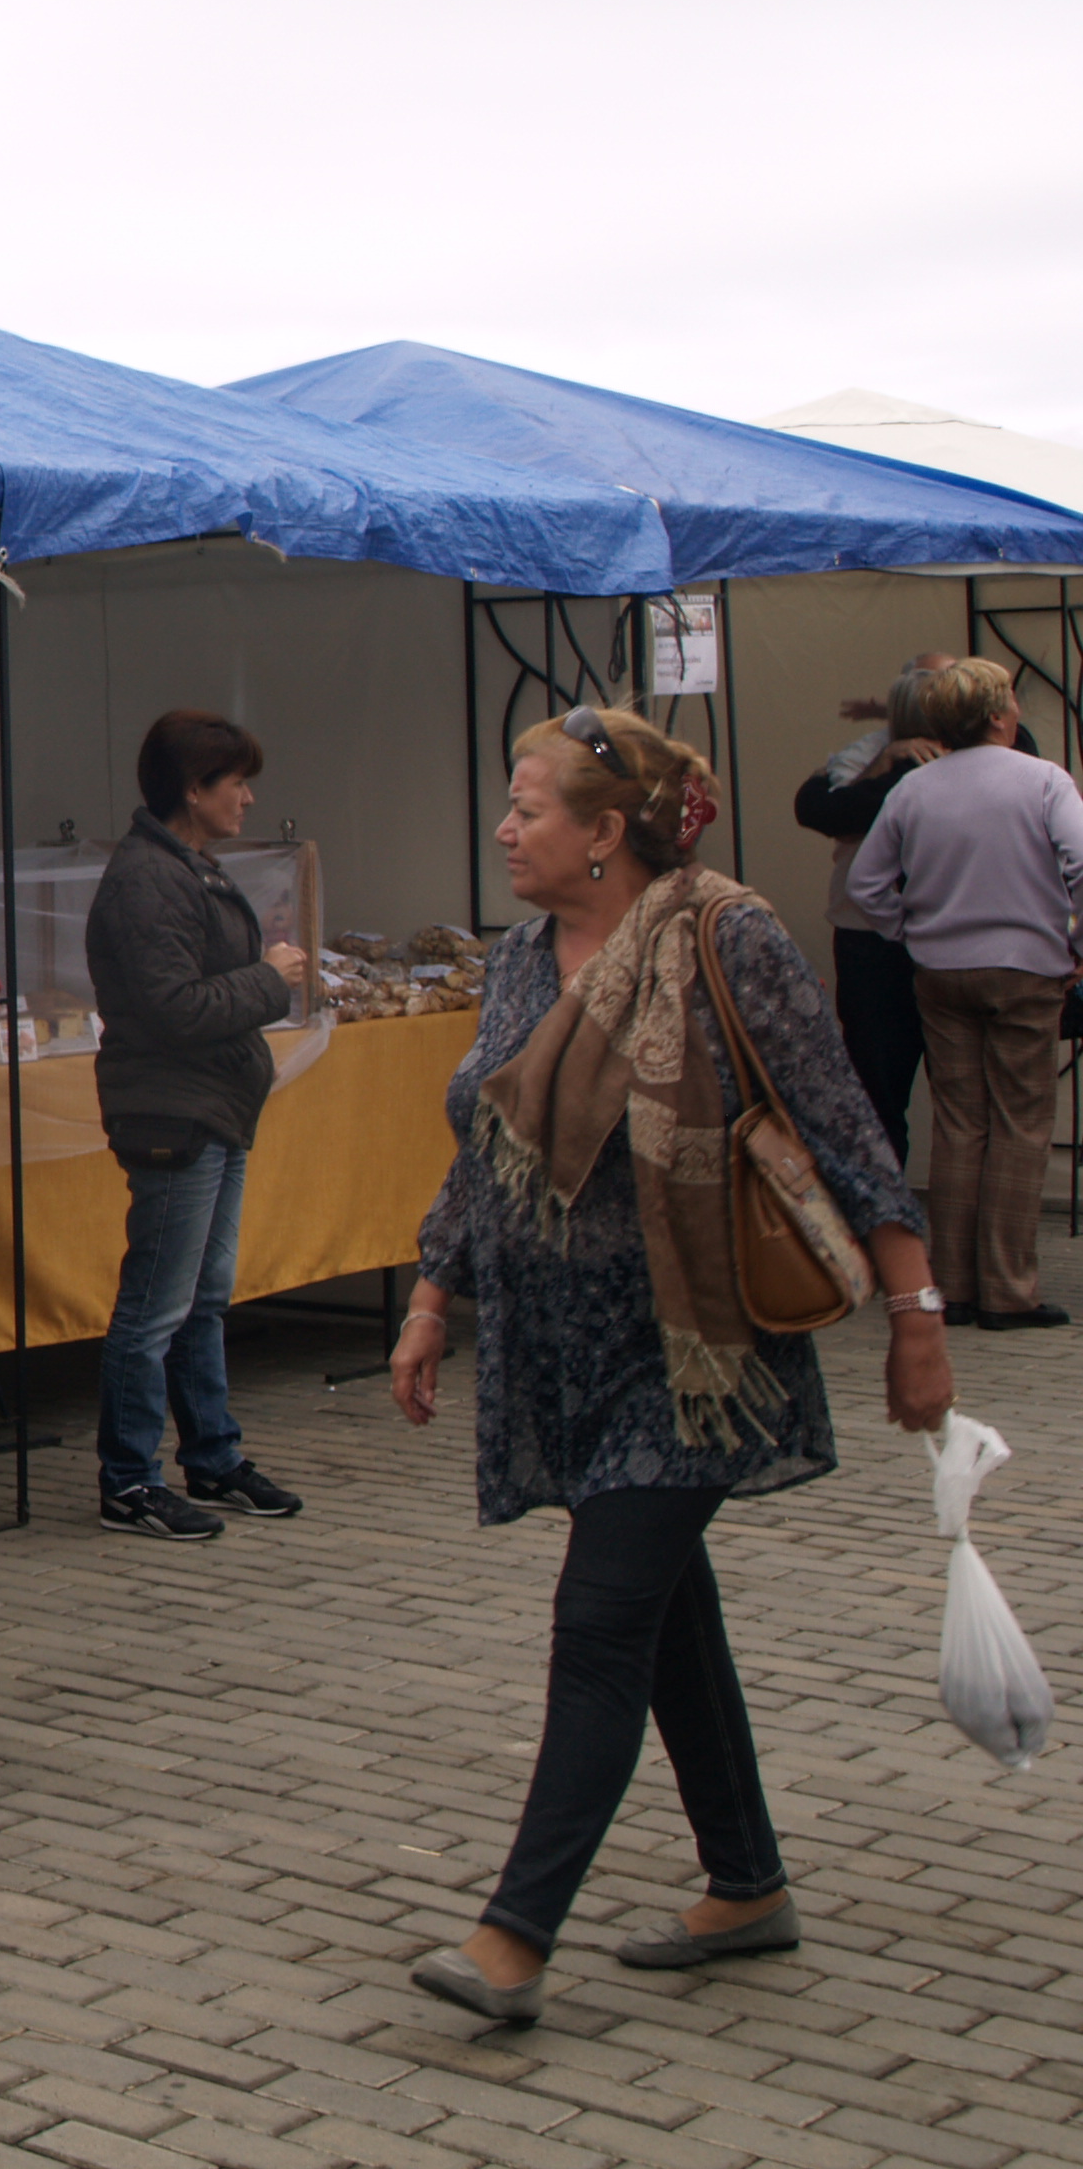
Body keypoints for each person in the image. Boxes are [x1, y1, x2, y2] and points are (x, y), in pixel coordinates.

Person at [394, 707, 951, 2028]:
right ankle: (748, 1884)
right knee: (663, 1610)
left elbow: (839, 1115)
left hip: (694, 1350)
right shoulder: (525, 958)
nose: (506, 827)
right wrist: (432, 1291)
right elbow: (494, 1140)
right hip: (559, 1350)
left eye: (530, 807)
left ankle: (514, 1938)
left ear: (605, 832)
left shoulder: (726, 936)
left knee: (598, 1622)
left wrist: (918, 1311)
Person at [84, 710, 314, 1542]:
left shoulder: (189, 867)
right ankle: (129, 1479)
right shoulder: (148, 879)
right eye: (234, 782)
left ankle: (212, 1455)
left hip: (215, 1109)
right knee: (155, 1305)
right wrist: (268, 980)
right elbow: (175, 1007)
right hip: (172, 1114)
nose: (249, 798)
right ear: (192, 789)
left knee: (202, 1298)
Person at [847, 657, 1083, 1331]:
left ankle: (949, 1283)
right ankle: (1008, 1290)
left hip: (940, 969)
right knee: (1020, 1121)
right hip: (1026, 968)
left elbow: (867, 886)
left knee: (958, 1122)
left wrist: (911, 931)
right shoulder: (1043, 780)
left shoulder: (916, 789)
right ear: (1001, 716)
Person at [791, 653, 956, 1168]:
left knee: (962, 1099)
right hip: (872, 945)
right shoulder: (874, 752)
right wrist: (886, 760)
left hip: (949, 946)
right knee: (877, 1091)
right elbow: (821, 809)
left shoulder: (983, 758)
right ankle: (885, 1217)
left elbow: (842, 808)